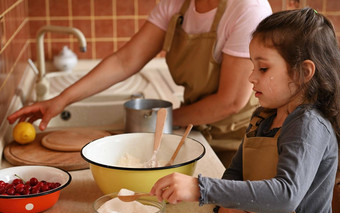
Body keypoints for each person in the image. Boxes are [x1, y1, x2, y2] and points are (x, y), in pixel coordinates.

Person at [7, 0, 272, 166]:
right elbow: (125, 61)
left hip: (241, 140)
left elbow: (230, 101)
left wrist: (161, 119)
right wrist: (60, 100)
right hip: (198, 129)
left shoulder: (247, 8)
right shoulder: (176, 6)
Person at [150, 8, 340, 213]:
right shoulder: (262, 117)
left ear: (304, 72)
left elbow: (286, 195)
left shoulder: (309, 125)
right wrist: (222, 209)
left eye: (263, 68)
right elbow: (235, 173)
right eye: (253, 66)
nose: (251, 77)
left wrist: (200, 188)